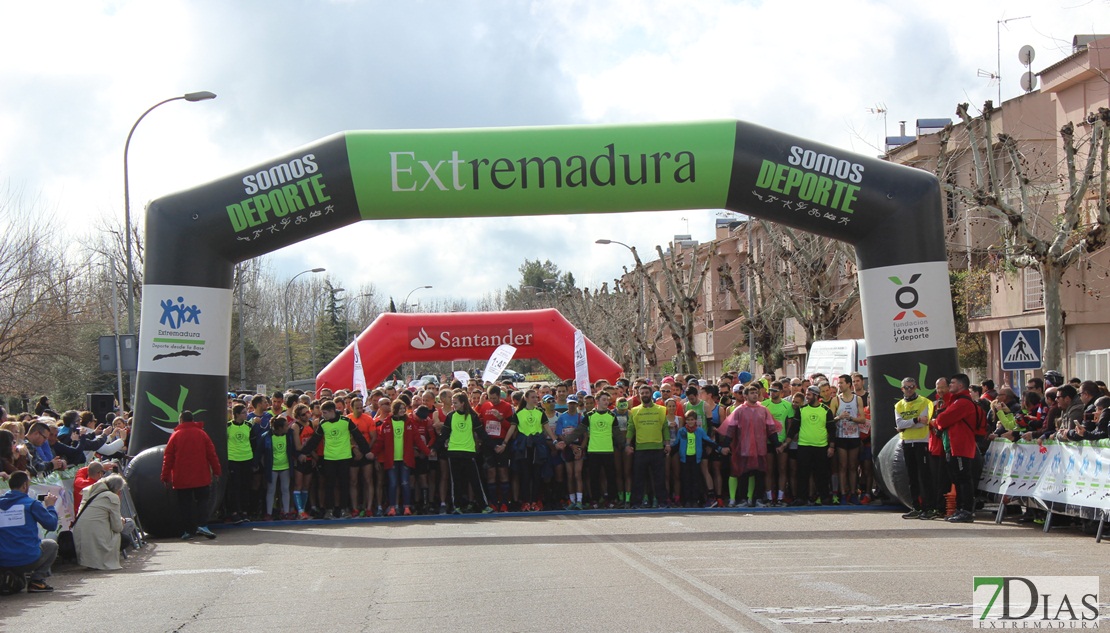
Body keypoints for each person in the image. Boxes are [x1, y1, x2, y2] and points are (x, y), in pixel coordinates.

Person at [160, 411, 221, 540]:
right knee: (203, 501)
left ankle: (188, 530)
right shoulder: (202, 434)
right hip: (201, 475)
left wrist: (165, 476)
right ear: (193, 420)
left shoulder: (175, 436)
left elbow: (168, 458)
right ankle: (203, 525)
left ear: (181, 420)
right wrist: (216, 471)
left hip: (181, 477)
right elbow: (212, 454)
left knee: (185, 505)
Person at [722, 384, 781, 507]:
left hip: (760, 447)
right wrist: (726, 445)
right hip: (744, 447)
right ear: (745, 396)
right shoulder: (739, 410)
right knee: (743, 473)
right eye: (752, 393)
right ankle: (743, 499)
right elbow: (731, 428)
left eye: (756, 393)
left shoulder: (764, 410)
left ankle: (758, 499)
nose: (755, 395)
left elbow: (771, 428)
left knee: (759, 474)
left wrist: (777, 444)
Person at [0, 470, 59, 592]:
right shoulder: (31, 504)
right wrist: (50, 506)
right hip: (27, 558)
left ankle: (10, 577)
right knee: (51, 545)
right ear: (25, 486)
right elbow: (51, 525)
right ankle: (37, 581)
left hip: (3, 559)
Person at [372, 400, 430, 516]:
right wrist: (373, 453)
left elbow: (418, 440)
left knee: (405, 483)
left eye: (404, 408)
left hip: (405, 459)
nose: (403, 410)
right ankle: (392, 507)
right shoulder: (387, 423)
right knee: (393, 483)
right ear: (395, 410)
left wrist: (427, 452)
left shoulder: (409, 423)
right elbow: (380, 442)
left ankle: (406, 507)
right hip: (391, 460)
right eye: (400, 408)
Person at [933, 374, 978, 523]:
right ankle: (960, 509)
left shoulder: (962, 402)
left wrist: (939, 420)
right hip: (953, 446)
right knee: (957, 479)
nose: (949, 386)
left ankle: (966, 510)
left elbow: (942, 419)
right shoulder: (956, 401)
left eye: (952, 383)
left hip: (961, 446)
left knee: (963, 478)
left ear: (960, 385)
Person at [895, 377, 934, 519]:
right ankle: (916, 507)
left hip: (921, 441)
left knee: (924, 475)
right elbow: (899, 424)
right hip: (906, 442)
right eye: (906, 387)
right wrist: (915, 419)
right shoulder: (898, 405)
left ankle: (929, 508)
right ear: (902, 389)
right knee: (911, 476)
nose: (909, 389)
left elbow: (924, 422)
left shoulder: (925, 402)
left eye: (911, 387)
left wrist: (910, 423)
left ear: (916, 387)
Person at [627, 384, 671, 508]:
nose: (645, 395)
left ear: (651, 394)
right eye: (643, 393)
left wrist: (667, 444)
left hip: (657, 448)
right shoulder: (634, 411)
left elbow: (665, 428)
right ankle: (636, 502)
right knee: (638, 478)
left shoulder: (661, 409)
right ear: (639, 395)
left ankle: (662, 502)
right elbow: (631, 429)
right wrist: (627, 444)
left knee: (659, 478)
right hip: (640, 449)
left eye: (647, 393)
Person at [73, 474, 127, 570]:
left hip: (79, 535)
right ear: (117, 489)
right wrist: (122, 521)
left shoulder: (89, 492)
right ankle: (107, 560)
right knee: (127, 527)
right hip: (96, 538)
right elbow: (117, 527)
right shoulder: (111, 497)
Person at [670, 411, 718, 507]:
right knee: (686, 479)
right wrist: (668, 451)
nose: (690, 422)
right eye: (688, 420)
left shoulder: (699, 431)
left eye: (692, 420)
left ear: (695, 420)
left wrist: (719, 448)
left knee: (695, 480)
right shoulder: (682, 431)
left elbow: (708, 441)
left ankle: (695, 500)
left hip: (696, 459)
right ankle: (687, 500)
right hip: (685, 459)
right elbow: (676, 444)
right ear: (685, 421)